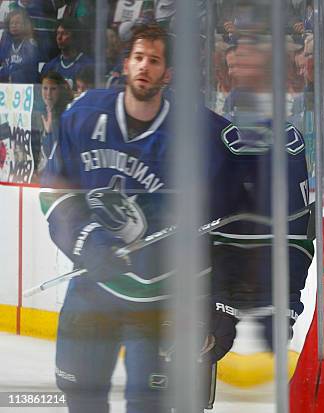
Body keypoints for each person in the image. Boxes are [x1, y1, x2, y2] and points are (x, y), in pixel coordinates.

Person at [38, 24, 238, 412]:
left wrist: (220, 300)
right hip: (93, 290)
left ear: (169, 74)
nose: (145, 67)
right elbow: (54, 192)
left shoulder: (203, 135)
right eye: (138, 58)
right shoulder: (83, 116)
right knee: (81, 399)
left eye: (155, 60)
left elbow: (231, 227)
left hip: (162, 302)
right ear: (126, 65)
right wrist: (87, 241)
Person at [40, 17, 94, 90]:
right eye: (58, 33)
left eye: (65, 33)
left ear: (75, 36)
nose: (59, 37)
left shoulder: (88, 65)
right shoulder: (50, 66)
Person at [35, 70, 73, 174]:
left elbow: (56, 154)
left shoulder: (65, 115)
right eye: (45, 88)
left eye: (53, 89)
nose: (48, 94)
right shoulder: (41, 112)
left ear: (60, 90)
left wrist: (49, 133)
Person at [0, 8, 40, 83]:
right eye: (11, 23)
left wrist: (8, 69)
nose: (14, 25)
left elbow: (27, 68)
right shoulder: (7, 45)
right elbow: (3, 64)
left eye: (17, 23)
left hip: (26, 84)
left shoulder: (31, 45)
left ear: (25, 25)